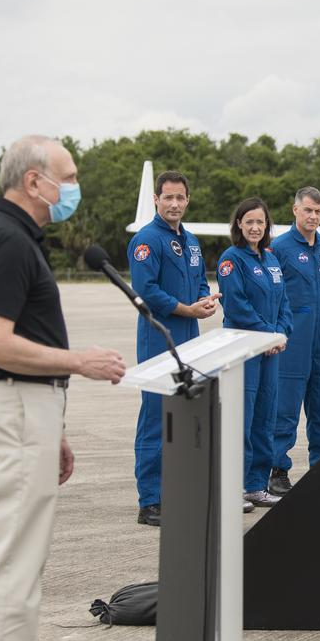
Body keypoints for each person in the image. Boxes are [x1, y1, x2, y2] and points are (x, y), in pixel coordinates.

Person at [0, 135, 126, 641]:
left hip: (21, 410)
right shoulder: (5, 242)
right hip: (9, 403)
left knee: (0, 561)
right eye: (69, 176)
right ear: (34, 182)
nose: (73, 188)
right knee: (10, 565)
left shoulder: (10, 237)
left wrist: (54, 427)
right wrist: (78, 361)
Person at [127, 171, 220, 527]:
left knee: (183, 416)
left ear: (187, 200)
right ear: (156, 199)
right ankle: (150, 500)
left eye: (180, 198)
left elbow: (198, 282)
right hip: (159, 335)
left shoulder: (192, 241)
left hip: (190, 334)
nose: (175, 204)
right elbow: (146, 291)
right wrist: (187, 309)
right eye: (168, 198)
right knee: (156, 415)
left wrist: (204, 301)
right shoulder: (146, 240)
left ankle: (176, 492)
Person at [215, 197, 293, 509]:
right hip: (244, 350)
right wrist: (267, 334)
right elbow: (236, 305)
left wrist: (281, 332)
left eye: (260, 222)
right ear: (238, 225)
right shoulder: (231, 260)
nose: (255, 227)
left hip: (270, 351)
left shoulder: (271, 259)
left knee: (264, 416)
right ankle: (232, 485)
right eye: (249, 222)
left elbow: (284, 302)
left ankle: (255, 485)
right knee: (241, 419)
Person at [267, 186, 320, 493]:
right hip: (292, 335)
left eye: (318, 211)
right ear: (295, 210)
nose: (313, 216)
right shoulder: (278, 248)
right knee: (286, 405)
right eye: (308, 210)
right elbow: (272, 293)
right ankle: (277, 469)